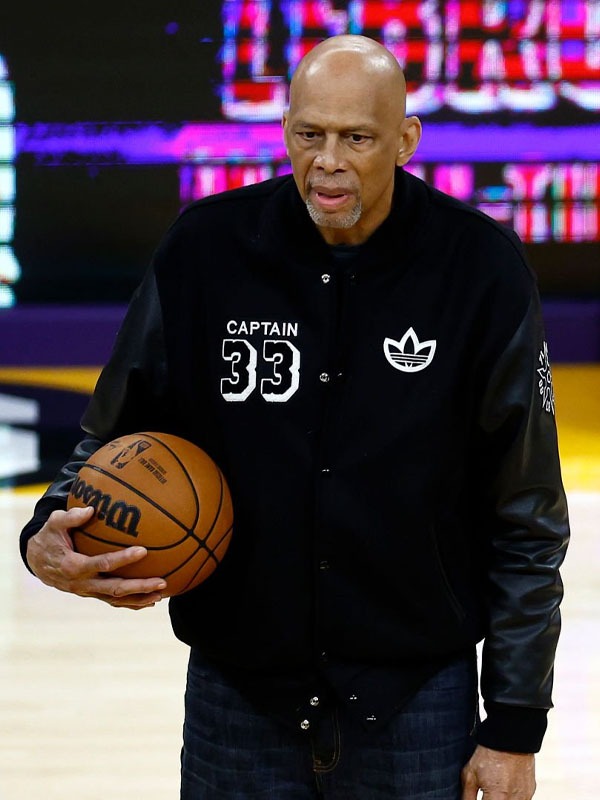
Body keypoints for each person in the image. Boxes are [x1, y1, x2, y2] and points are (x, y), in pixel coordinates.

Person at [20, 35, 569, 800]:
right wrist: (45, 531)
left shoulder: (480, 267)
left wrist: (514, 723)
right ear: (284, 129)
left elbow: (528, 514)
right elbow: (112, 434)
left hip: (415, 701)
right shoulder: (205, 249)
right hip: (240, 698)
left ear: (406, 140)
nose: (328, 161)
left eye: (357, 138)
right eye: (310, 133)